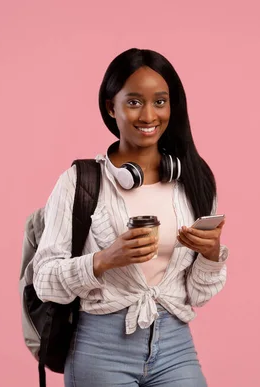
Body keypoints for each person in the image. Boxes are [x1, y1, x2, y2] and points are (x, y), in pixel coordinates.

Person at [33, 48, 229, 387]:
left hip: (174, 344)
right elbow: (44, 280)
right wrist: (104, 260)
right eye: (134, 102)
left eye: (160, 101)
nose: (149, 114)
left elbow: (198, 295)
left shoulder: (195, 181)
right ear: (112, 107)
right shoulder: (79, 182)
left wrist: (210, 256)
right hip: (100, 347)